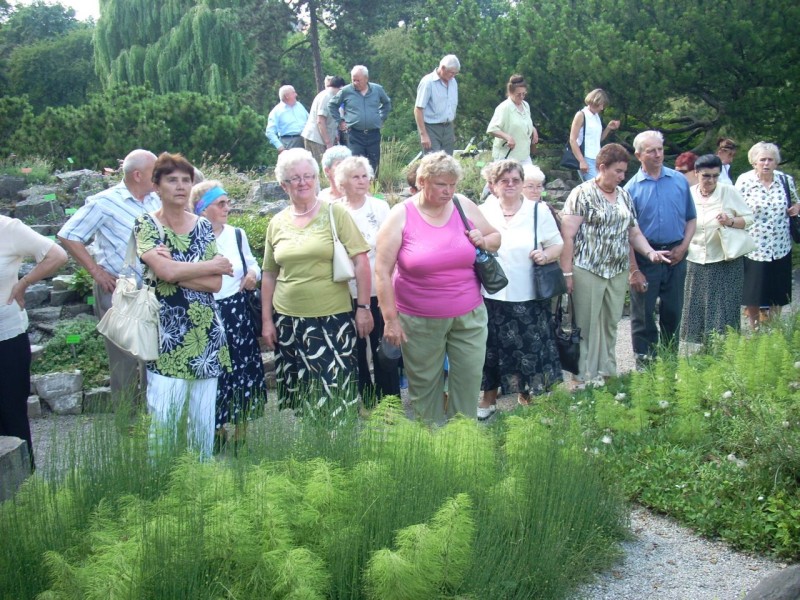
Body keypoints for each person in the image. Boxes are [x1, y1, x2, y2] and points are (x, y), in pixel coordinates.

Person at [375, 151, 501, 424]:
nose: (449, 191)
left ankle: (462, 446)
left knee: (468, 382)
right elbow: (382, 272)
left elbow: (495, 237)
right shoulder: (400, 215)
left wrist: (483, 240)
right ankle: (431, 449)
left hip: (469, 315)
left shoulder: (462, 205)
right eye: (442, 184)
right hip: (418, 319)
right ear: (422, 181)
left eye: (453, 184)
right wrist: (390, 320)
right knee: (425, 388)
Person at [261, 148, 373, 420]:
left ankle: (338, 449)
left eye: (308, 176)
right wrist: (266, 320)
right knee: (303, 392)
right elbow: (269, 274)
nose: (302, 182)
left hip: (331, 318)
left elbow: (361, 262)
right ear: (283, 184)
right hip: (289, 320)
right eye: (294, 178)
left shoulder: (335, 214)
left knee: (336, 390)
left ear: (317, 179)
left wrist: (363, 307)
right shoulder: (276, 223)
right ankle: (314, 448)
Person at [135, 153, 234, 460]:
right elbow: (166, 273)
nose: (180, 186)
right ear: (156, 186)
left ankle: (199, 492)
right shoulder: (146, 224)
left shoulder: (203, 227)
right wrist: (205, 266)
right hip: (167, 338)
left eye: (186, 180)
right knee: (163, 427)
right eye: (172, 180)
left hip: (205, 336)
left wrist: (174, 269)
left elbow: (214, 284)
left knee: (202, 430)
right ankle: (161, 491)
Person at [561, 143, 671, 385]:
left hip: (617, 269)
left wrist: (650, 252)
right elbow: (567, 235)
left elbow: (634, 232)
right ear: (602, 168)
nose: (622, 177)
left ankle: (608, 371)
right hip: (587, 267)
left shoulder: (623, 195)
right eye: (618, 171)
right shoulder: (582, 193)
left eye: (624, 172)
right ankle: (583, 377)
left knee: (610, 323)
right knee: (587, 325)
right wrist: (566, 272)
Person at [57, 149, 159, 401]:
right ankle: (127, 426)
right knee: (123, 360)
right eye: (154, 172)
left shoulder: (156, 199)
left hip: (154, 288)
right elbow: (69, 234)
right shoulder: (104, 202)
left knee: (154, 356)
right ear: (137, 175)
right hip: (118, 288)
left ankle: (153, 423)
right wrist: (96, 272)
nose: (159, 177)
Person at [476, 160, 563, 420]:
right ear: (493, 186)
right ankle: (488, 398)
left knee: (530, 348)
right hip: (490, 293)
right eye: (504, 180)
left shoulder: (538, 211)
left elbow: (557, 244)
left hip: (528, 293)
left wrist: (545, 256)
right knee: (490, 349)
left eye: (515, 180)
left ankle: (528, 394)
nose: (511, 185)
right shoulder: (482, 211)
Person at [190, 180, 267, 450]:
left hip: (237, 312)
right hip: (207, 312)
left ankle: (242, 430)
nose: (227, 208)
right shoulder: (193, 236)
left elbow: (253, 261)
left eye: (228, 202)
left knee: (242, 370)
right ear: (202, 209)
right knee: (215, 373)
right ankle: (217, 429)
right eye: (220, 203)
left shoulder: (237, 234)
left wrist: (252, 274)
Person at [624, 130, 696, 363]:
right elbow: (626, 233)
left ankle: (669, 361)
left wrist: (684, 246)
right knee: (643, 315)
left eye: (660, 149)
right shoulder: (630, 190)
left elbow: (691, 218)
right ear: (638, 155)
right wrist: (634, 269)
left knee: (673, 311)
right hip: (646, 257)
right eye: (651, 151)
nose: (657, 155)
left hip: (676, 254)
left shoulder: (678, 181)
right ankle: (645, 363)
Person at [0, 220, 67, 469]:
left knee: (10, 415)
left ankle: (22, 488)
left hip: (5, 338)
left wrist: (24, 282)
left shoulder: (7, 228)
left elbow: (56, 255)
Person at [334, 156, 398, 404]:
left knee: (385, 346)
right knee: (356, 349)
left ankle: (390, 401)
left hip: (380, 287)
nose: (362, 181)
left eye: (364, 176)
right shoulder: (335, 210)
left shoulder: (380, 207)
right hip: (347, 290)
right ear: (343, 182)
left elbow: (393, 244)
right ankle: (366, 398)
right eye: (355, 177)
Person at [681, 154, 753, 344]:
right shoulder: (689, 194)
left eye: (715, 175)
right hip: (696, 258)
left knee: (724, 308)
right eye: (706, 176)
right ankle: (697, 350)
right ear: (696, 174)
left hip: (725, 259)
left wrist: (729, 221)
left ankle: (724, 350)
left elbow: (749, 219)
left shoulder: (729, 191)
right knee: (695, 307)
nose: (711, 180)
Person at [735, 142, 800, 328]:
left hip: (780, 244)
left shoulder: (785, 180)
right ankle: (754, 327)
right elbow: (733, 206)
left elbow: (796, 202)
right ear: (754, 162)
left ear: (776, 162)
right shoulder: (744, 180)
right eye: (762, 159)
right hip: (754, 245)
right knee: (754, 291)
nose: (766, 163)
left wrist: (796, 208)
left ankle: (775, 326)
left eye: (770, 160)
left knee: (778, 289)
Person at [328, 65, 392, 174]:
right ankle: (355, 189)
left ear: (366, 79)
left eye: (358, 80)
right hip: (354, 134)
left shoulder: (377, 89)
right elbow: (332, 105)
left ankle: (372, 188)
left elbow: (387, 103)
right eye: (353, 80)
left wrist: (381, 118)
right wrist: (340, 121)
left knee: (374, 163)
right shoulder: (346, 91)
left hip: (373, 133)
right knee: (355, 164)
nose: (355, 83)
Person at [567, 89, 621, 181]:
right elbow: (572, 140)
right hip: (586, 157)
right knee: (595, 186)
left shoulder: (596, 117)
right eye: (601, 104)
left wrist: (608, 128)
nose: (602, 108)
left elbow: (597, 139)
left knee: (600, 187)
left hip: (597, 158)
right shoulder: (581, 115)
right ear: (595, 102)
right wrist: (581, 161)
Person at [486, 74, 538, 165]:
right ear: (510, 93)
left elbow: (524, 122)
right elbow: (492, 129)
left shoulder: (526, 105)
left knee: (531, 178)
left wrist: (533, 130)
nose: (522, 97)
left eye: (524, 94)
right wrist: (508, 137)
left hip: (524, 155)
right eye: (518, 94)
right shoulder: (504, 108)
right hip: (506, 156)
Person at [414, 55, 460, 155]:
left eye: (455, 73)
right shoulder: (427, 82)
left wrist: (451, 131)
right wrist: (423, 135)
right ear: (443, 68)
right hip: (431, 128)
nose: (453, 76)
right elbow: (418, 109)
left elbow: (451, 108)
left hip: (447, 127)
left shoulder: (453, 82)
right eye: (452, 73)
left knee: (448, 162)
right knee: (433, 163)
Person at [302, 75, 346, 164]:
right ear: (340, 88)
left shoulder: (331, 96)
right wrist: (328, 143)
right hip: (317, 139)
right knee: (321, 166)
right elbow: (320, 121)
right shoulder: (327, 97)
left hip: (322, 138)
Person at [265, 85, 309, 154]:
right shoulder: (276, 111)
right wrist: (279, 146)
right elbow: (269, 132)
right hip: (290, 143)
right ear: (287, 96)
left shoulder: (299, 106)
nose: (296, 95)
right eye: (293, 93)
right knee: (293, 164)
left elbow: (309, 120)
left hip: (306, 140)